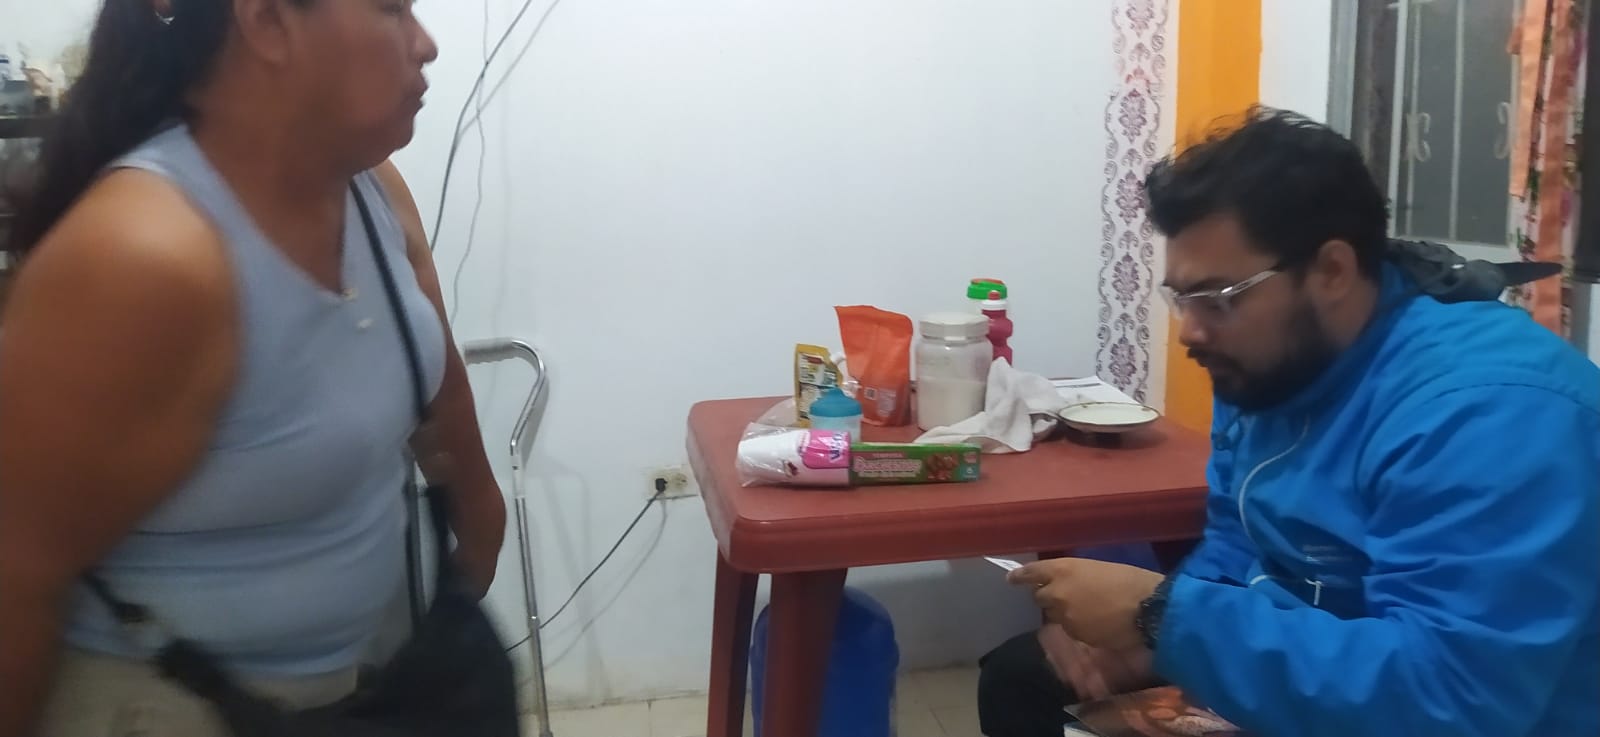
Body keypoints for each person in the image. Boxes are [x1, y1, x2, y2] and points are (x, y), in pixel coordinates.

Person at [978, 108, 1600, 737]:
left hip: (1460, 709)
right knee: (1022, 677)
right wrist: (1142, 634)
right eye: (1182, 299)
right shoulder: (1272, 362)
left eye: (1219, 298)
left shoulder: (1487, 413)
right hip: (1325, 662)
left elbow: (1451, 698)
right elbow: (1238, 539)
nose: (1191, 331)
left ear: (1332, 271)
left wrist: (1162, 618)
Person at [0, 1, 508, 735]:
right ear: (268, 23)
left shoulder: (371, 191)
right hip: (157, 707)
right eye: (390, 9)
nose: (425, 44)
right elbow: (15, 574)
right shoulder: (146, 255)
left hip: (347, 689)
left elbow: (430, 366)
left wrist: (478, 510)